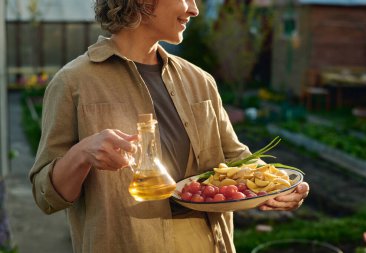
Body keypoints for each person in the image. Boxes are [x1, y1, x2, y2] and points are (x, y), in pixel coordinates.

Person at [29, 0, 309, 252]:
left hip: (207, 242)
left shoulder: (200, 80)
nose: (194, 9)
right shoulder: (73, 83)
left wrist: (279, 185)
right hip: (126, 243)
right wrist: (82, 154)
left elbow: (235, 159)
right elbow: (46, 196)